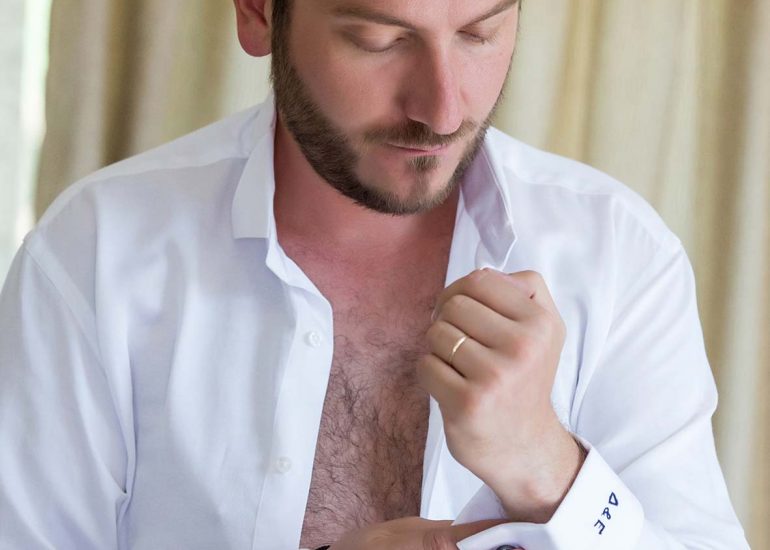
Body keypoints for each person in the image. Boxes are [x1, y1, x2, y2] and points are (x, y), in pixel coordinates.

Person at [0, 0, 751, 548]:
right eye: (379, 39)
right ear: (259, 12)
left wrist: (547, 466)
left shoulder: (619, 257)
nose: (442, 110)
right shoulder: (96, 255)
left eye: (480, 32)